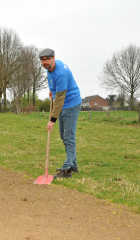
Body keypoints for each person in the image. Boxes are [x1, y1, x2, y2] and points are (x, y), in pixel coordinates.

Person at [39, 48, 82, 178]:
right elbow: (54, 84)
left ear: (53, 58)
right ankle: (73, 164)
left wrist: (52, 120)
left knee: (69, 136)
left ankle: (67, 169)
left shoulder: (61, 73)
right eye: (42, 60)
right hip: (64, 104)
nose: (44, 62)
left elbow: (60, 99)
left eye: (47, 59)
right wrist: (52, 90)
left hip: (71, 104)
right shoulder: (50, 69)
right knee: (64, 135)